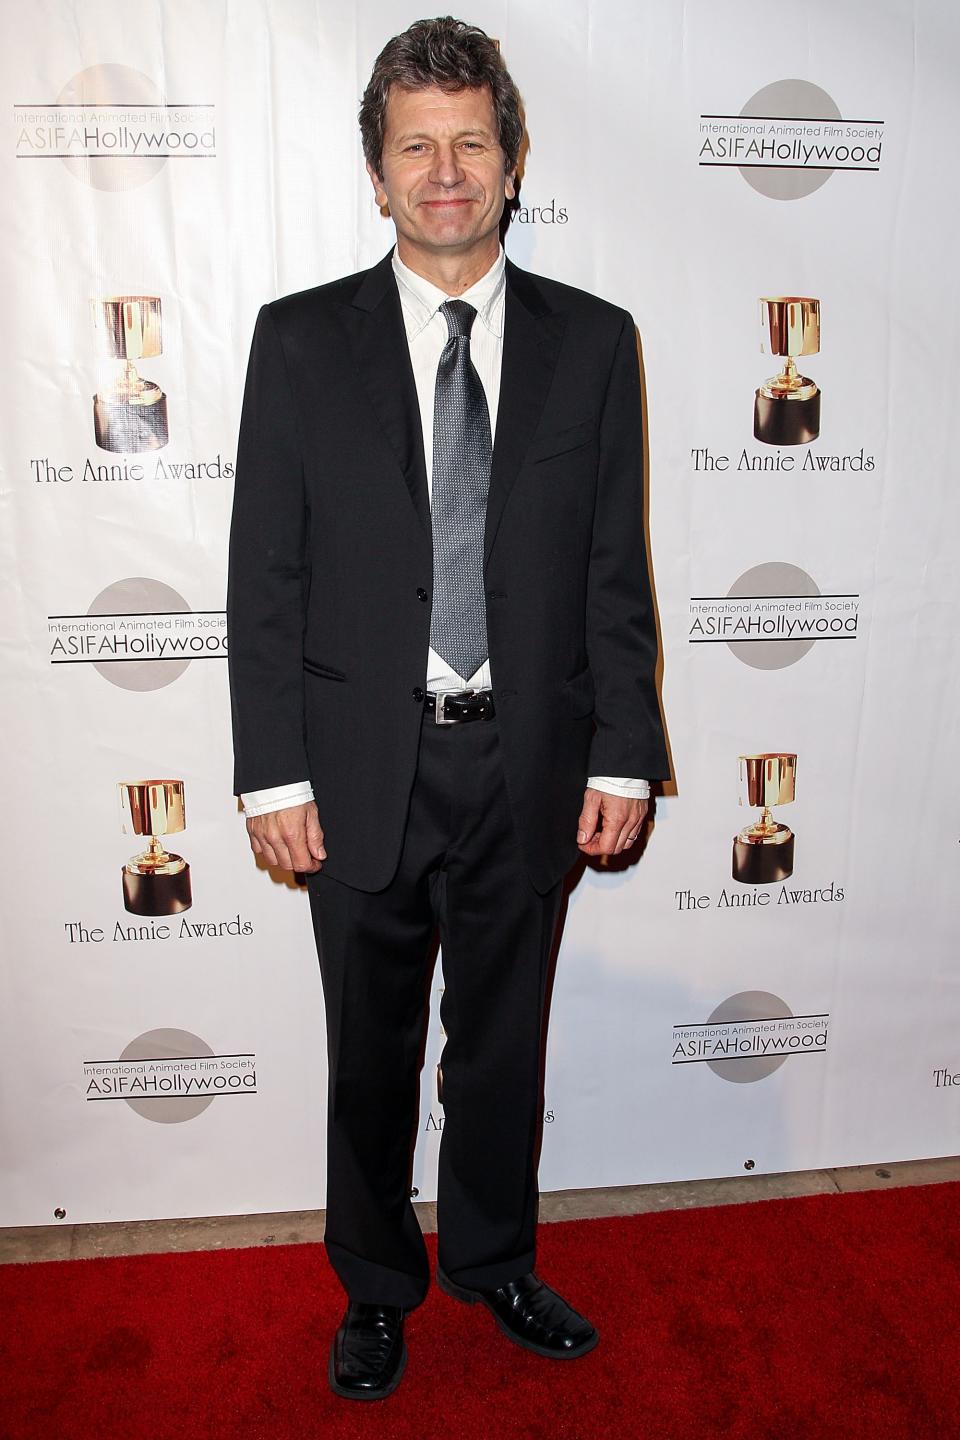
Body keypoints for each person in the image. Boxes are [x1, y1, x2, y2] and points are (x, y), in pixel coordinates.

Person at [227, 15, 669, 1402]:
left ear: (513, 156)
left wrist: (630, 753)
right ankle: (373, 1284)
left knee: (500, 1048)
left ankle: (491, 1262)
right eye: (416, 147)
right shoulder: (298, 343)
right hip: (361, 767)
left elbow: (613, 562)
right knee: (368, 1059)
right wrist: (270, 775)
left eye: (471, 141)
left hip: (526, 765)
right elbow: (267, 574)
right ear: (377, 173)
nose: (447, 171)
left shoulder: (596, 344)